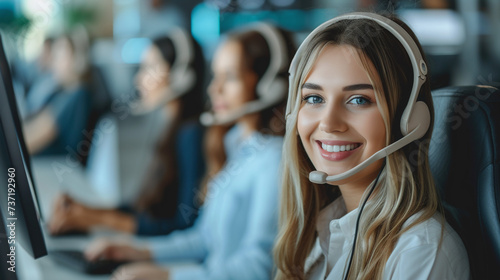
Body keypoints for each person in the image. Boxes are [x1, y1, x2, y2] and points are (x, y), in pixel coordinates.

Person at [84, 23, 296, 280]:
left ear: (268, 84)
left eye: (229, 77)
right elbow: (203, 239)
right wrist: (138, 251)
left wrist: (169, 276)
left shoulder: (272, 161)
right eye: (215, 76)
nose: (213, 89)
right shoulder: (234, 145)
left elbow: (258, 268)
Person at [273, 12, 470, 280]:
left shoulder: (420, 251)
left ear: (409, 120)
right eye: (314, 98)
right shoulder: (319, 231)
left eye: (358, 100)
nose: (329, 123)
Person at [48, 29, 206, 236]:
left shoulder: (191, 135)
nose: (139, 80)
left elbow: (183, 225)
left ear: (181, 75)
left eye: (150, 68)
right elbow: (149, 211)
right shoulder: (170, 129)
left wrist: (98, 219)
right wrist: (84, 210)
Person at [23, 29, 91, 155]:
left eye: (60, 57)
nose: (53, 63)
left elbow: (27, 143)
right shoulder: (63, 93)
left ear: (78, 60)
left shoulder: (77, 96)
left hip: (52, 166)